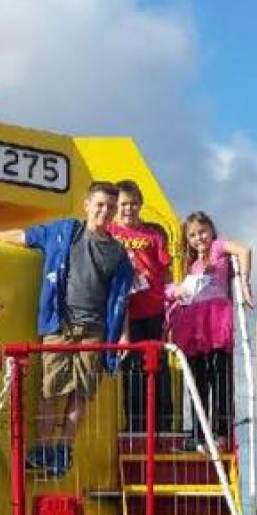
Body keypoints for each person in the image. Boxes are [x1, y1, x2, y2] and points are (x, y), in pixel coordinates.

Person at [0, 183, 134, 475]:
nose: (104, 211)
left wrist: (123, 332)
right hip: (59, 324)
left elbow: (120, 297)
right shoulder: (65, 231)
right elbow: (25, 237)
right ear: (87, 205)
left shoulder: (119, 255)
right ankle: (44, 448)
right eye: (100, 205)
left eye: (110, 206)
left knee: (80, 393)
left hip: (94, 330)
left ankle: (63, 450)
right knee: (51, 389)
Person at [166, 212, 254, 448]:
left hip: (215, 323)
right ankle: (199, 432)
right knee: (198, 381)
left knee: (220, 377)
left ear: (211, 231)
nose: (198, 238)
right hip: (195, 328)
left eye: (202, 232)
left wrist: (244, 283)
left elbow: (244, 250)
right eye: (192, 235)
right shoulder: (191, 265)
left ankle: (221, 431)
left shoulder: (217, 248)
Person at [109, 179, 172, 434]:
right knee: (131, 367)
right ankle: (136, 423)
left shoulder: (153, 234)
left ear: (140, 204)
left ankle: (163, 422)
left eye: (133, 203)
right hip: (126, 313)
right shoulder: (110, 232)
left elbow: (165, 272)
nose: (129, 209)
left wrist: (171, 307)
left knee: (159, 366)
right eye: (124, 204)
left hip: (155, 309)